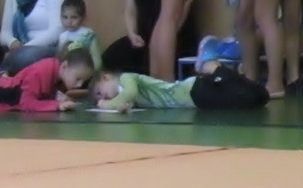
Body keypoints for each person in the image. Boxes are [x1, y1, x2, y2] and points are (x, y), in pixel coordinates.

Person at [92, 60, 270, 112]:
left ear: (106, 77)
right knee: (257, 98)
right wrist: (121, 107)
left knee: (248, 99)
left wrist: (107, 105)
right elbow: (127, 101)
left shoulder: (125, 78)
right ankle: (234, 76)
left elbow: (131, 92)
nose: (104, 97)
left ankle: (218, 70)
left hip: (191, 91)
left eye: (100, 92)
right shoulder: (124, 93)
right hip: (192, 99)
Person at [57, 0, 103, 70]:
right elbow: (60, 59)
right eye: (65, 17)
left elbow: (97, 60)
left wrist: (90, 72)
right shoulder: (62, 37)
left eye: (74, 17)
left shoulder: (88, 35)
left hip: (86, 72)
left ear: (83, 17)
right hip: (68, 73)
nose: (69, 21)